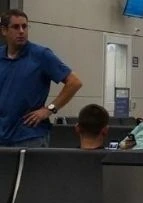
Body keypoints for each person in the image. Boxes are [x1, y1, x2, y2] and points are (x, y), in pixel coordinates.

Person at [0, 9, 83, 147]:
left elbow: (74, 82)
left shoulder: (40, 55)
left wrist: (49, 109)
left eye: (24, 26)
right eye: (15, 27)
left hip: (30, 136)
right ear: (4, 31)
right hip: (3, 136)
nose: (21, 31)